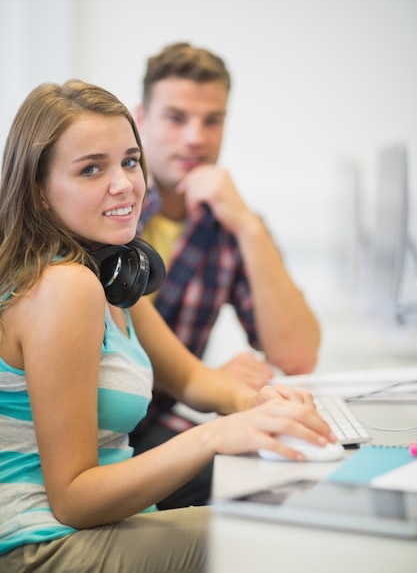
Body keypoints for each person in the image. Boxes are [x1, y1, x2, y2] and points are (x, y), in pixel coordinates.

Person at [0, 79, 337, 572]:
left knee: (286, 511)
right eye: (92, 168)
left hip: (94, 529)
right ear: (41, 192)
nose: (124, 185)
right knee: (287, 529)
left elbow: (191, 378)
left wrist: (257, 403)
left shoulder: (108, 273)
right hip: (44, 546)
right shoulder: (64, 288)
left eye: (130, 161)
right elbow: (73, 499)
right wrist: (215, 437)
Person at [129, 42, 322, 507]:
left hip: (157, 421)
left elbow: (297, 356)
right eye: (176, 118)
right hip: (105, 430)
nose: (196, 137)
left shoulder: (228, 224)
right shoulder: (111, 208)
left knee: (285, 468)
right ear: (141, 119)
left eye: (212, 120)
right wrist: (205, 378)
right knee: (260, 488)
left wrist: (248, 226)